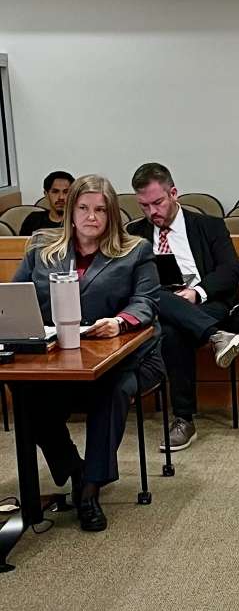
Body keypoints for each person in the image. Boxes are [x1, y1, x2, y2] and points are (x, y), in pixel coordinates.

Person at [12, 174, 164, 532]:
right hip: (55, 358)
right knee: (26, 397)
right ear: (70, 211)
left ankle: (90, 492)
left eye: (100, 210)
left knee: (110, 392)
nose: (91, 216)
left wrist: (121, 321)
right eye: (83, 208)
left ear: (111, 215)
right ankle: (75, 470)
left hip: (122, 357)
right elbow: (15, 296)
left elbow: (147, 301)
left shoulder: (134, 251)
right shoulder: (41, 248)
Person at [127, 163, 239, 452]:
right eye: (144, 206)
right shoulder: (134, 233)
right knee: (158, 301)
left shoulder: (209, 226)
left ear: (174, 193)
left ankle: (183, 418)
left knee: (171, 330)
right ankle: (216, 337)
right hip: (156, 303)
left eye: (158, 202)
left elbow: (230, 270)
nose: (152, 212)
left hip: (208, 304)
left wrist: (196, 292)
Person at [20, 171, 74, 235]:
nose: (61, 197)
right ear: (46, 194)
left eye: (66, 192)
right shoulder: (33, 220)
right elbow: (21, 244)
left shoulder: (80, 220)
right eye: (55, 192)